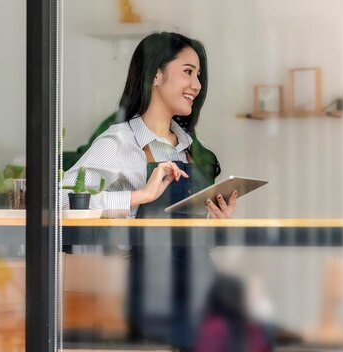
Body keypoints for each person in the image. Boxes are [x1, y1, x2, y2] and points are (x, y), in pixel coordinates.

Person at [62, 32, 241, 350]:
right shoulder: (119, 142)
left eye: (198, 75)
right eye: (188, 71)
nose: (197, 86)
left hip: (201, 288)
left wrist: (217, 224)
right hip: (149, 295)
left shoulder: (189, 149)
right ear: (156, 74)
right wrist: (138, 196)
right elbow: (62, 201)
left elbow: (188, 243)